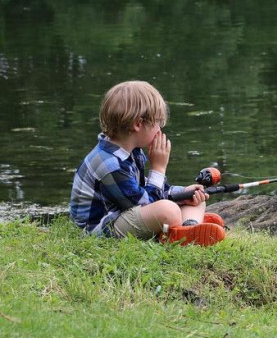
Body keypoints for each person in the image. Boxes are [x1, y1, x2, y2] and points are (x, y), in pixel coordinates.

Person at [70, 81, 225, 246]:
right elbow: (146, 203)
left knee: (195, 196)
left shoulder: (131, 150)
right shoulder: (110, 165)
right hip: (100, 228)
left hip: (127, 210)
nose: (160, 130)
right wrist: (158, 168)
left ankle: (188, 227)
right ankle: (183, 227)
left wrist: (184, 193)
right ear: (138, 124)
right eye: (158, 122)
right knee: (168, 210)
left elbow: (147, 191)